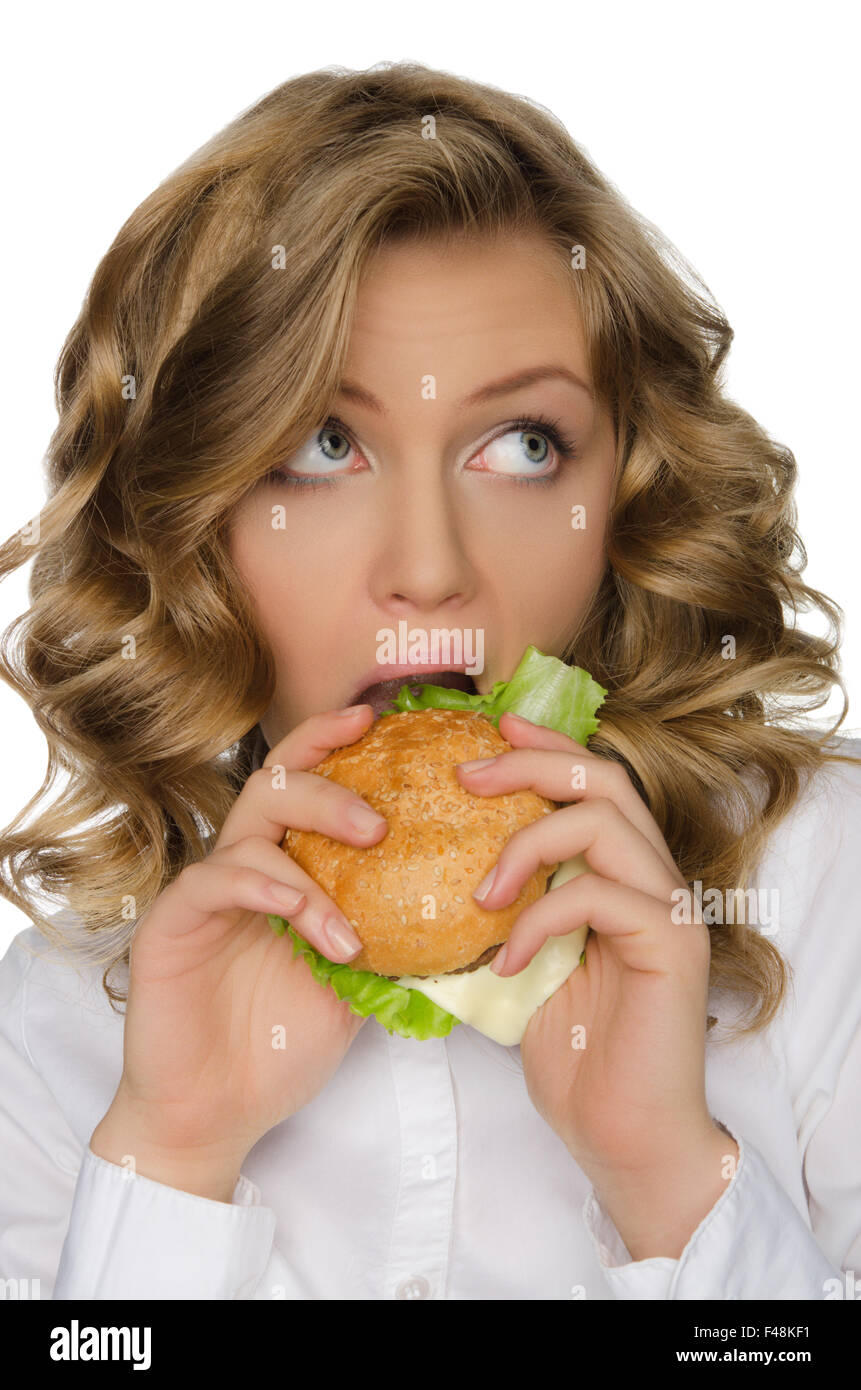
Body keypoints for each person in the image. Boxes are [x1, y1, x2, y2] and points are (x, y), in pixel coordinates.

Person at [0, 61, 858, 1302]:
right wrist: (172, 1157)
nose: (428, 569)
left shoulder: (821, 890)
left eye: (522, 447)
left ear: (624, 488)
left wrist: (669, 1176)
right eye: (320, 447)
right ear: (197, 518)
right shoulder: (66, 1020)